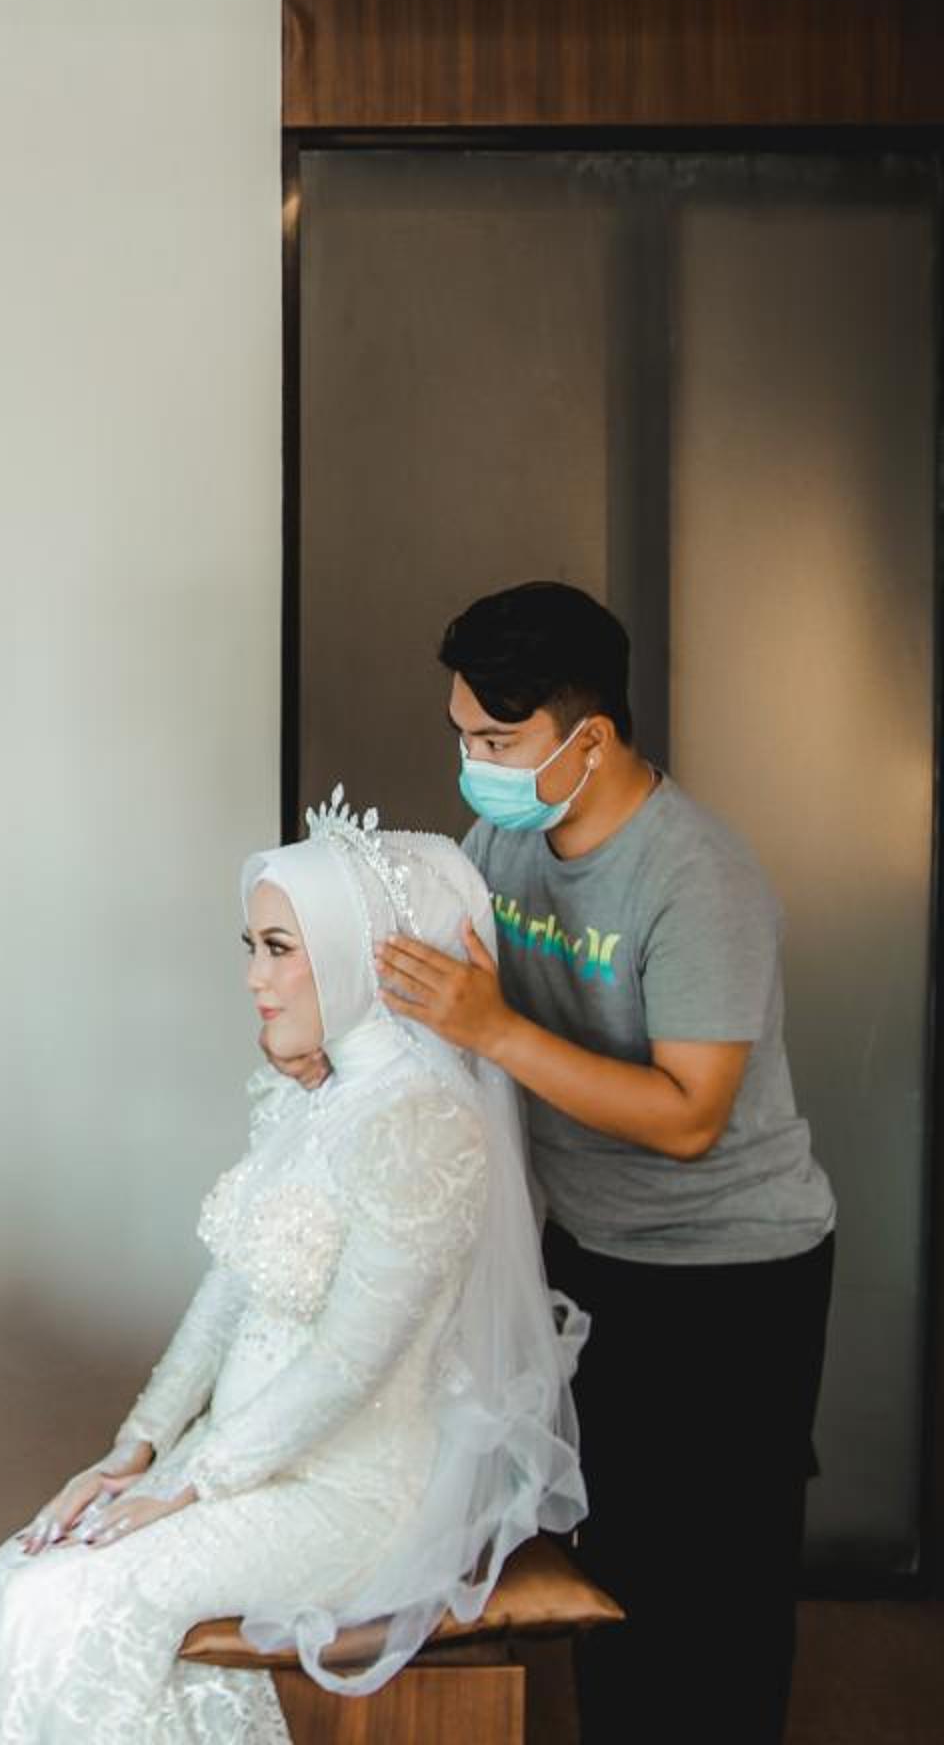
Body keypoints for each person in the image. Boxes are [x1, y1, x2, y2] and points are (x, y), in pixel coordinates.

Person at [0, 796, 585, 1745]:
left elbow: (350, 1361)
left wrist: (188, 1485)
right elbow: (226, 1299)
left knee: (81, 1600)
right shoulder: (314, 1097)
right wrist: (135, 1448)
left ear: (360, 954)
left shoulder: (425, 1124)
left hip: (345, 1495)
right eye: (251, 947)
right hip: (242, 1464)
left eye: (279, 948)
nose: (255, 977)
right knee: (17, 1575)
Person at [364, 581, 836, 1743]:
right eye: (464, 737)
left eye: (499, 741)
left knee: (715, 1585)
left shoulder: (698, 878)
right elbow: (451, 996)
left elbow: (688, 1116)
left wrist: (494, 1028)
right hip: (590, 1248)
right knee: (610, 1556)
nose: (475, 765)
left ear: (591, 737)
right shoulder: (505, 839)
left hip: (733, 1271)